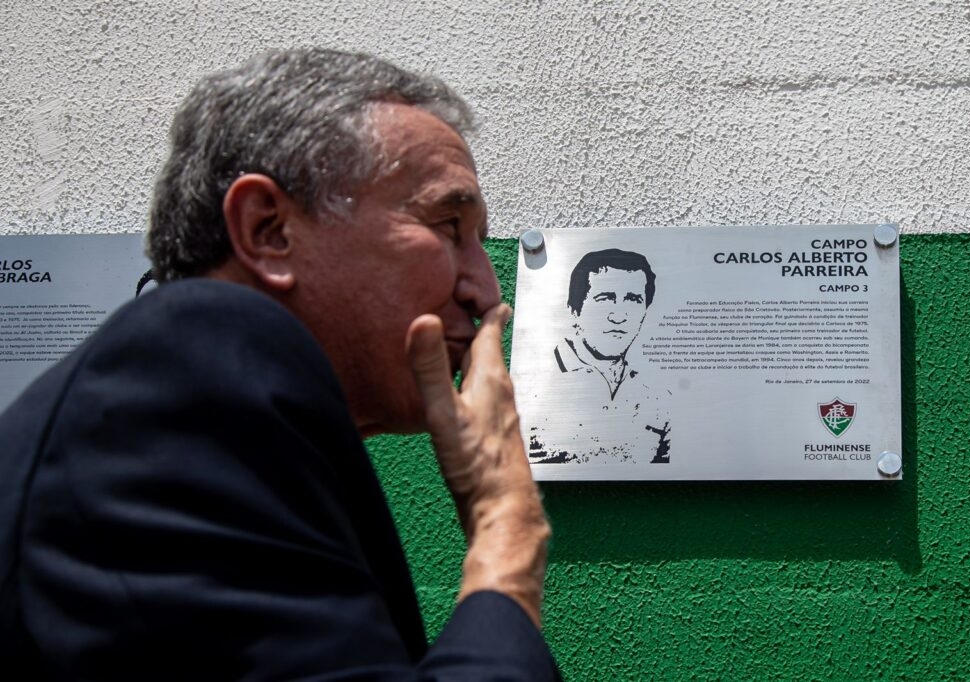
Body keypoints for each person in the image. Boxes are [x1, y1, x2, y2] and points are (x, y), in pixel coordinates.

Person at [0, 49, 558, 679]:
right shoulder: (183, 373)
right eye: (448, 225)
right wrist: (506, 527)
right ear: (268, 230)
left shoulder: (200, 401)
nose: (485, 291)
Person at [528, 249, 670, 465]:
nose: (619, 316)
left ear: (645, 312)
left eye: (632, 299)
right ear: (574, 310)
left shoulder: (656, 395)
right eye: (605, 298)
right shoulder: (537, 380)